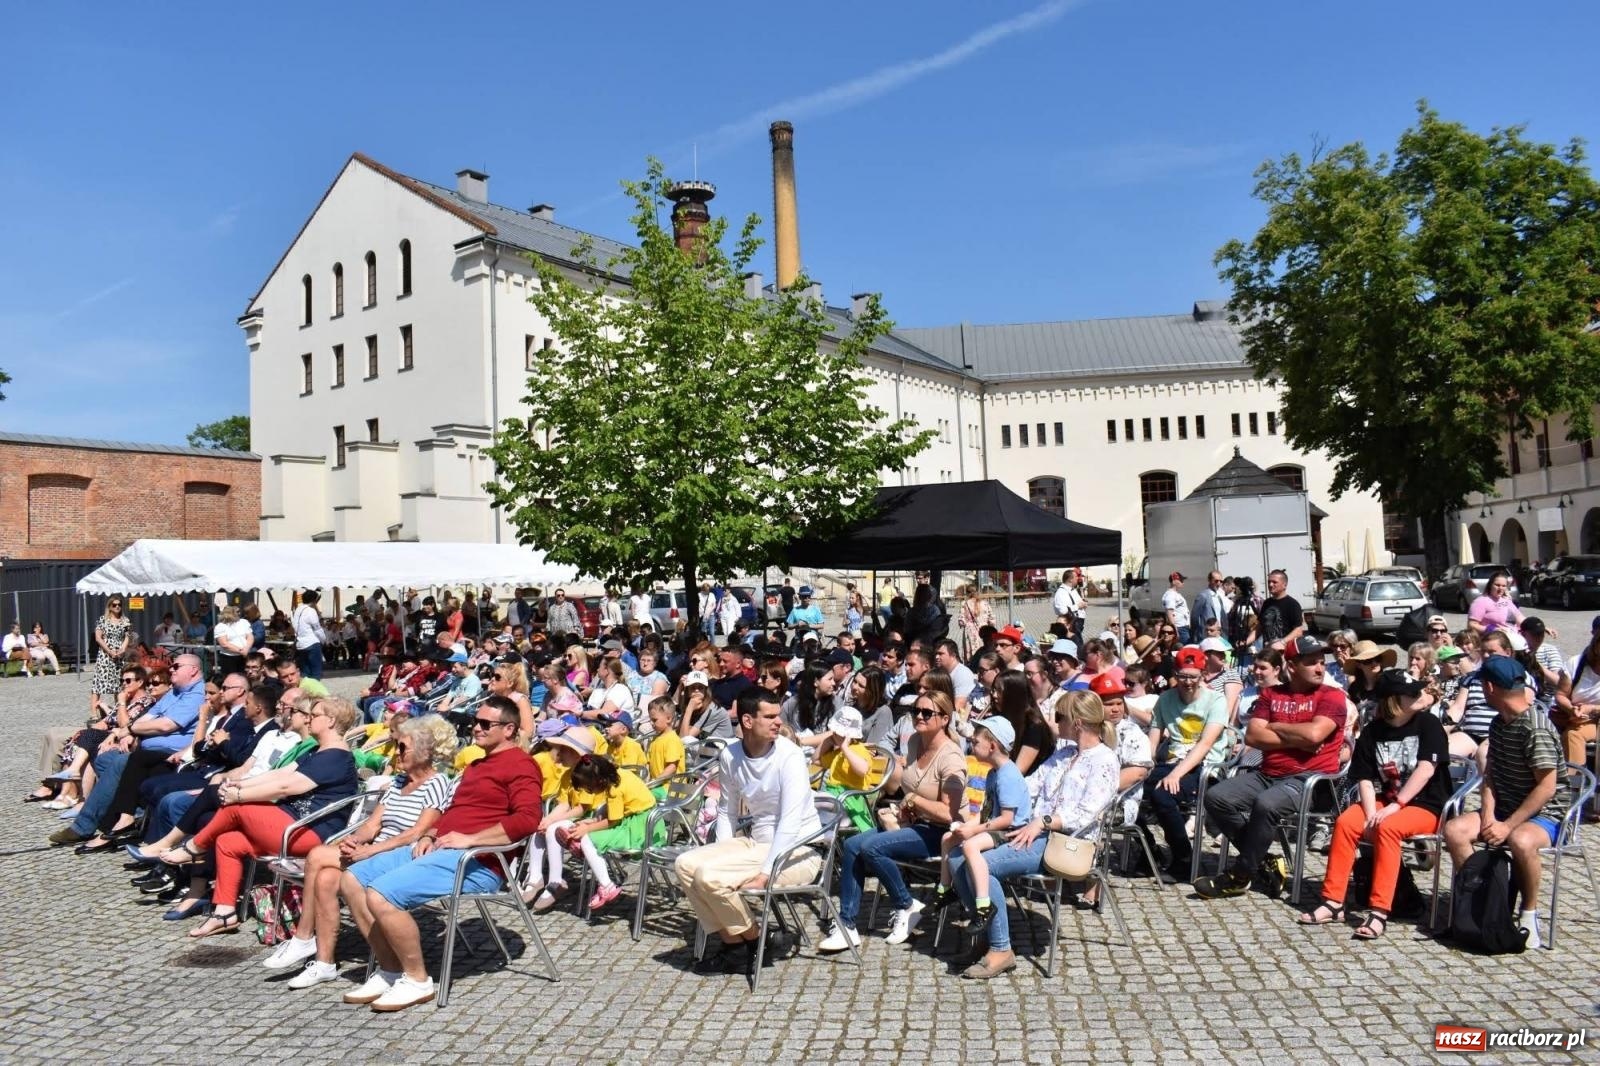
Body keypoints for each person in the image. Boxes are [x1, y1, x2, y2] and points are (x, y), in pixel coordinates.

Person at [340, 694, 543, 1011]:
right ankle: (390, 969)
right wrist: (431, 833)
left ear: (509, 729)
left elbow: (527, 820)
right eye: (475, 721)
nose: (476, 727)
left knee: (381, 894)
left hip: (480, 861)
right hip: (442, 848)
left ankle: (417, 979)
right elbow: (453, 812)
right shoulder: (476, 766)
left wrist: (470, 839)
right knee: (352, 879)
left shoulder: (522, 765)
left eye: (485, 723)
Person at [260, 715, 456, 987]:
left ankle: (304, 937)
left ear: (424, 752)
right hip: (376, 849)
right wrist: (355, 840)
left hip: (401, 854)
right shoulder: (399, 782)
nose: (396, 753)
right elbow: (372, 825)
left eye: (402, 747)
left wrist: (370, 850)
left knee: (317, 855)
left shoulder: (437, 783)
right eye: (396, 745)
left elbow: (417, 833)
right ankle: (324, 963)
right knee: (326, 878)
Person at [947, 692, 1119, 979]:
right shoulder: (1063, 754)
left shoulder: (1105, 760)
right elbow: (1029, 786)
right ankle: (985, 936)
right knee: (956, 857)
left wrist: (1044, 822)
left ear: (1077, 723)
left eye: (1060, 717)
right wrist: (1005, 800)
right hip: (1029, 831)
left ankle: (1000, 949)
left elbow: (1087, 814)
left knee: (984, 865)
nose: (1055, 722)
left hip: (1066, 842)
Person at [160, 697, 360, 938]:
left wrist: (239, 796)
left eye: (314, 715)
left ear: (331, 721)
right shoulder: (318, 751)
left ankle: (194, 847)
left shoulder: (336, 756)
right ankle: (224, 913)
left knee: (236, 808)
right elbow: (279, 774)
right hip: (292, 823)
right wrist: (239, 784)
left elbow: (287, 787)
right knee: (228, 842)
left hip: (309, 833)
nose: (308, 719)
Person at [674, 690, 822, 976]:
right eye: (770, 716)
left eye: (778, 715)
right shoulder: (731, 754)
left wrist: (765, 873)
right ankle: (746, 944)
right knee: (686, 864)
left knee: (710, 876)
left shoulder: (789, 756)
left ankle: (746, 947)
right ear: (747, 721)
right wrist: (721, 852)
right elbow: (727, 810)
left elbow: (790, 823)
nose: (778, 722)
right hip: (757, 843)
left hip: (799, 850)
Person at [1300, 669, 1451, 939]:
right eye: (1412, 692)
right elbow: (1365, 779)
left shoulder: (1428, 724)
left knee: (1388, 828)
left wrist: (1396, 806)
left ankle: (1379, 910)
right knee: (1346, 822)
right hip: (1387, 800)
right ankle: (1333, 902)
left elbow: (1426, 769)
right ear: (1394, 700)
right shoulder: (1372, 732)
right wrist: (1370, 815)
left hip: (1427, 804)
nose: (1420, 695)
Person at [1195, 636, 1346, 900]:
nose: (1320, 668)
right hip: (1268, 774)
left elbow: (1315, 735)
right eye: (1312, 663)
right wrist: (1297, 737)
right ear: (1292, 666)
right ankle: (1263, 860)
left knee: (1266, 804)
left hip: (1312, 780)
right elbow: (1254, 736)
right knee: (1216, 797)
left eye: (1322, 662)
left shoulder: (1332, 696)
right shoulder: (1271, 695)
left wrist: (1275, 727)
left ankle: (1240, 876)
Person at [822, 691, 967, 952]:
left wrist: (912, 800)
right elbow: (910, 785)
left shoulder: (951, 758)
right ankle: (847, 926)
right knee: (853, 845)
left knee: (872, 847)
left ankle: (906, 904)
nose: (919, 717)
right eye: (916, 711)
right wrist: (906, 805)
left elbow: (949, 813)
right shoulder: (915, 742)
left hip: (943, 832)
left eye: (927, 713)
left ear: (945, 719)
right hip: (916, 823)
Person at [1443, 655, 1567, 949]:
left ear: (1489, 687)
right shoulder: (1499, 723)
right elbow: (1490, 775)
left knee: (1520, 841)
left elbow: (1547, 788)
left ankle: (1528, 915)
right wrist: (1489, 816)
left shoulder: (1535, 728)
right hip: (1504, 806)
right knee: (1455, 831)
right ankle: (1482, 905)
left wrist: (1507, 825)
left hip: (1546, 813)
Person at [1142, 647, 1230, 882]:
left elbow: (1205, 744)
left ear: (1203, 675)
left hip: (1205, 766)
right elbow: (1154, 735)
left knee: (1162, 795)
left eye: (1193, 677)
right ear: (1175, 675)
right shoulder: (1165, 699)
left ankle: (1183, 859)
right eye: (1182, 676)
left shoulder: (1216, 700)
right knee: (1126, 790)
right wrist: (1145, 764)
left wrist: (1176, 775)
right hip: (1171, 761)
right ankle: (1147, 850)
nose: (1187, 682)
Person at [931, 717, 1027, 925]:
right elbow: (986, 813)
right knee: (948, 838)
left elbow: (1007, 819)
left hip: (1011, 831)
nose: (971, 745)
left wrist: (973, 832)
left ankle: (983, 905)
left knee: (971, 846)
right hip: (994, 826)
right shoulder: (993, 773)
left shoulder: (1008, 776)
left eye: (975, 742)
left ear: (992, 746)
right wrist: (967, 826)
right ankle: (944, 889)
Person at [1554, 620, 1600, 771]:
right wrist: (1571, 709)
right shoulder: (1576, 663)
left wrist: (1592, 708)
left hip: (1594, 715)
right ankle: (1576, 780)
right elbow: (1560, 694)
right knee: (1572, 735)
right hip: (1580, 720)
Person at [90, 596, 133, 719]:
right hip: (105, 655)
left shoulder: (125, 621)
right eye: (114, 605)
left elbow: (127, 637)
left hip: (119, 656)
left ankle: (119, 711)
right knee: (98, 684)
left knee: (119, 685)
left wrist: (122, 649)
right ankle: (93, 713)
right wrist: (109, 651)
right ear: (109, 607)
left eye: (119, 604)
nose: (117, 607)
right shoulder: (102, 620)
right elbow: (98, 638)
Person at [1256, 569, 1304, 654]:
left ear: (1284, 585)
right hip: (1268, 652)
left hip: (1285, 653)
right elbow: (1259, 627)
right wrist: (1245, 642)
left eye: (1274, 582)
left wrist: (1282, 642)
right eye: (1269, 582)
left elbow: (1298, 631)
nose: (1270, 585)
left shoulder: (1292, 604)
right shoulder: (1267, 603)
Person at [1467, 569, 1523, 635]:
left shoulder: (1507, 600)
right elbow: (1471, 625)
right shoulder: (1480, 602)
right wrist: (1492, 630)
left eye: (1503, 586)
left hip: (1514, 635)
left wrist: (1529, 625)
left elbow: (1519, 618)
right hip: (1495, 637)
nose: (1500, 588)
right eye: (1497, 585)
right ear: (1490, 585)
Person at [293, 591, 328, 680]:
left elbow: (295, 626)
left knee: (305, 672)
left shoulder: (298, 610)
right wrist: (324, 639)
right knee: (316, 671)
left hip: (300, 643)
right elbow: (317, 628)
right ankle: (315, 687)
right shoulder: (311, 611)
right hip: (312, 642)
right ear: (314, 600)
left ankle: (305, 688)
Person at [1191, 571, 1229, 640]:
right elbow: (1194, 617)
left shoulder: (1218, 597)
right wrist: (1195, 634)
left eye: (1221, 581)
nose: (1219, 583)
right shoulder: (1203, 596)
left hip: (1219, 634)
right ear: (1209, 580)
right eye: (1216, 581)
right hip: (1207, 634)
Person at [1162, 572, 1191, 644]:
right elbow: (1169, 613)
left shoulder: (1175, 594)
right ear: (1174, 581)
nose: (1183, 583)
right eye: (1181, 580)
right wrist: (1175, 630)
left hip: (1182, 627)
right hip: (1179, 627)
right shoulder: (1170, 595)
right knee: (1183, 647)